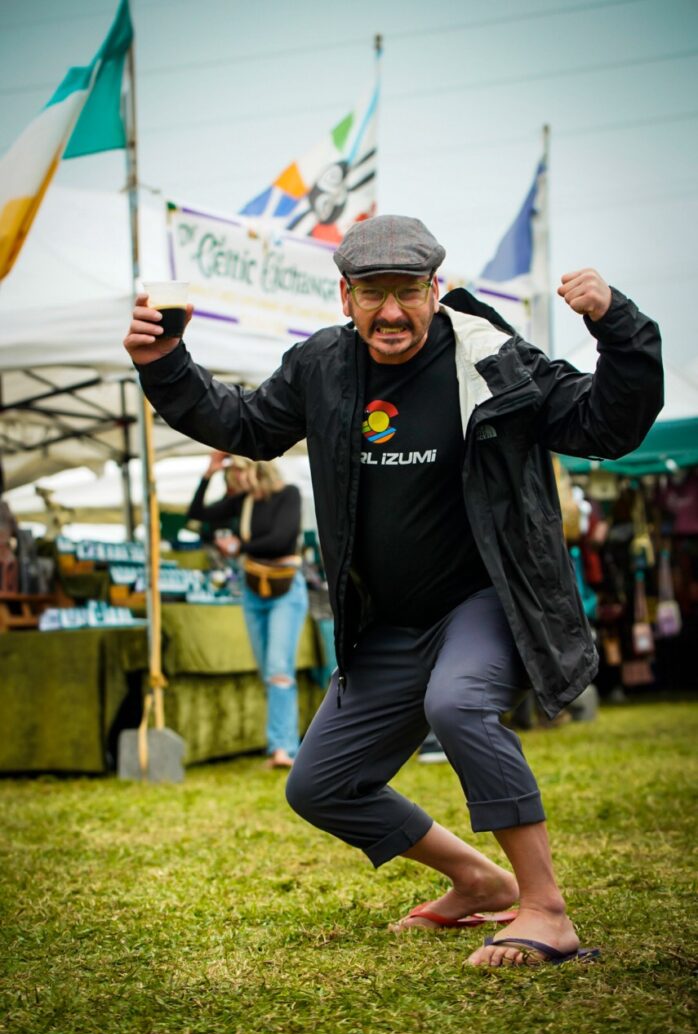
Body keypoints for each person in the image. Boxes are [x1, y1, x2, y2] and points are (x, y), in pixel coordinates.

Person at [124, 214, 662, 967]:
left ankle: (546, 909)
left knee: (458, 702)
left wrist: (619, 326)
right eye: (373, 293)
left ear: (435, 291)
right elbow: (245, 423)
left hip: (483, 601)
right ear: (345, 296)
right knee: (318, 784)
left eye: (408, 291)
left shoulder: (493, 359)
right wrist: (166, 362)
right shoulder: (322, 366)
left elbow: (609, 424)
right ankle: (476, 879)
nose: (392, 312)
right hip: (386, 623)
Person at [201, 455, 307, 769]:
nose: (236, 478)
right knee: (268, 670)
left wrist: (240, 547)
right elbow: (199, 515)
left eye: (240, 471)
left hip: (285, 587)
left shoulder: (288, 494)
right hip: (252, 590)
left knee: (278, 669)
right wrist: (209, 474)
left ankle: (284, 749)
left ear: (257, 469)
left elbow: (282, 539)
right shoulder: (241, 503)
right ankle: (280, 744)